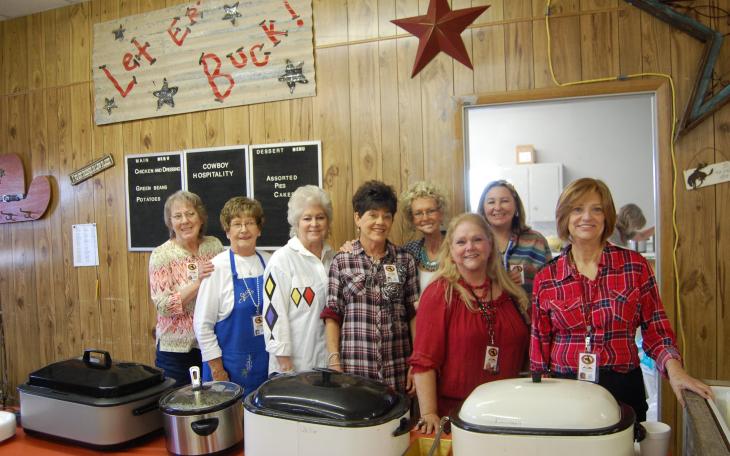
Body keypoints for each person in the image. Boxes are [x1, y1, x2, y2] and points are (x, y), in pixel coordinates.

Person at [530, 178, 713, 422]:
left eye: (597, 209)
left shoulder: (634, 267)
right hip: (565, 387)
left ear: (607, 217)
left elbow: (656, 329)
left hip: (622, 386)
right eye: (577, 209)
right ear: (564, 216)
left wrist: (676, 372)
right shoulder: (547, 277)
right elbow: (539, 344)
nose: (587, 217)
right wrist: (539, 395)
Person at [411, 213, 531, 434]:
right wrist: (428, 413)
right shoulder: (439, 294)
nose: (470, 247)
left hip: (510, 414)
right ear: (451, 250)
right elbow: (424, 362)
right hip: (457, 417)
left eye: (477, 239)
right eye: (461, 242)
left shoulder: (511, 293)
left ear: (490, 243)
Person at [321, 180, 419, 393]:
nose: (380, 222)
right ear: (358, 218)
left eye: (386, 216)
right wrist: (334, 359)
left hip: (398, 371)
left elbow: (413, 314)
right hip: (354, 371)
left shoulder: (404, 260)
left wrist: (416, 362)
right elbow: (332, 314)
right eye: (373, 215)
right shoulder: (342, 261)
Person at [194, 197, 270, 392]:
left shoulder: (271, 263)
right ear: (227, 232)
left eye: (250, 223)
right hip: (228, 370)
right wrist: (218, 371)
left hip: (267, 364)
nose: (244, 230)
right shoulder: (216, 267)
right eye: (237, 224)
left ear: (259, 229)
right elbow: (202, 326)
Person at [149, 191, 223, 386]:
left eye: (190, 214)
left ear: (200, 217)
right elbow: (164, 306)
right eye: (178, 216)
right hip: (175, 352)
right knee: (179, 408)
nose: (185, 221)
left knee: (212, 405)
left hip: (211, 345)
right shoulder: (161, 255)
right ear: (170, 222)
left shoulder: (214, 246)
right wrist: (199, 282)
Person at [263, 185, 335, 374]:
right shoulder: (281, 261)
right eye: (307, 218)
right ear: (296, 222)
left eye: (320, 217)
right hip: (293, 366)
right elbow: (272, 314)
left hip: (327, 363)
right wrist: (284, 363)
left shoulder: (333, 258)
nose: (314, 223)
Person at [477, 180, 551, 297]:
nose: (497, 207)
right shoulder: (475, 242)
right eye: (491, 202)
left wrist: (529, 274)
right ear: (483, 209)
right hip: (486, 312)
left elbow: (552, 284)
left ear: (516, 206)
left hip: (528, 312)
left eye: (505, 201)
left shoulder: (536, 241)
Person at [400, 182, 448, 294]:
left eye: (431, 211)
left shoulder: (457, 247)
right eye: (418, 213)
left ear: (440, 214)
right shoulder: (408, 251)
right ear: (412, 219)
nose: (425, 218)